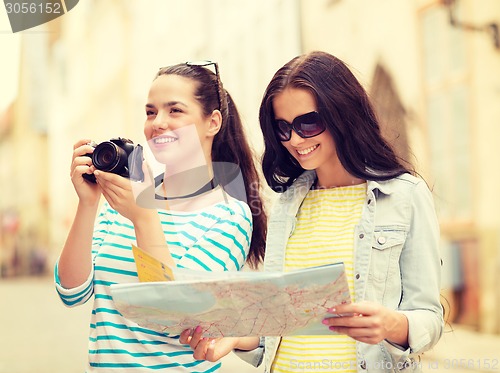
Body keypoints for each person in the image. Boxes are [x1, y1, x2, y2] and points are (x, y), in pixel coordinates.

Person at [180, 51, 443, 373]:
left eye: (308, 123)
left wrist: (393, 325)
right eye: (282, 127)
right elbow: (278, 326)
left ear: (342, 114)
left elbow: (429, 319)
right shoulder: (287, 204)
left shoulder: (404, 195)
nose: (294, 139)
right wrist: (235, 337)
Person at [54, 60, 267, 372]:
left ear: (213, 122)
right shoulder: (126, 199)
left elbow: (176, 317)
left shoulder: (229, 215)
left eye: (175, 110)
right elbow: (71, 292)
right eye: (151, 112)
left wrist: (143, 217)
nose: (158, 123)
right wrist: (87, 205)